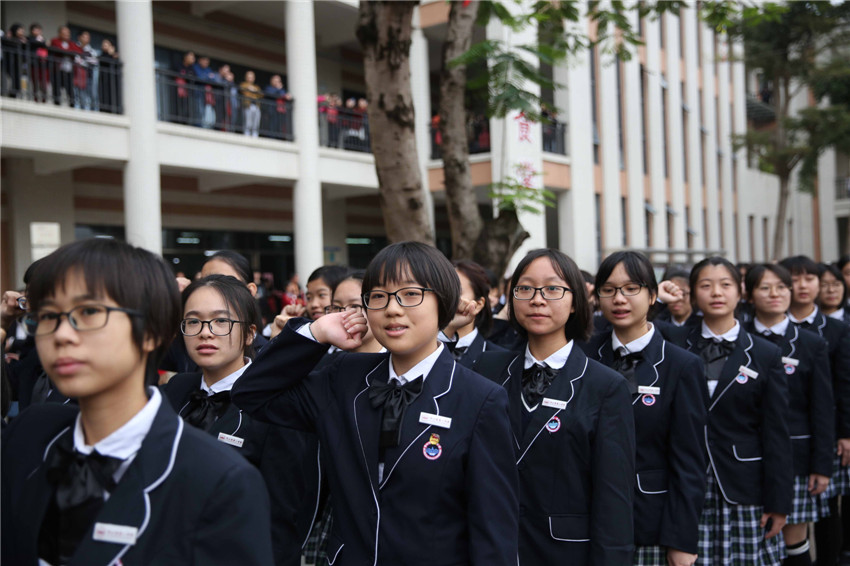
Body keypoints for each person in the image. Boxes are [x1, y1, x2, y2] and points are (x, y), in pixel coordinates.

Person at [232, 241, 518, 565]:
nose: (392, 309)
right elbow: (251, 393)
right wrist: (316, 332)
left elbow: (493, 531)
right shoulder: (344, 378)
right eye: (378, 296)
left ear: (443, 301)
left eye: (411, 294)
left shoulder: (480, 399)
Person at [1, 238, 273, 565]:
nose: (61, 334)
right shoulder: (30, 435)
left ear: (151, 332)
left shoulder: (220, 480)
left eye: (88, 312)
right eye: (47, 315)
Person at [475, 248, 637, 565]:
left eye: (552, 289)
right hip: (493, 547)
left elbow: (614, 498)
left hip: (565, 551)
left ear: (576, 300)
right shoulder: (486, 368)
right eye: (525, 288)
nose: (537, 299)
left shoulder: (605, 385)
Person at [162, 275, 319, 566]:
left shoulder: (277, 404)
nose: (205, 333)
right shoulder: (176, 390)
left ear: (249, 334)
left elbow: (284, 516)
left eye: (221, 322)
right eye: (193, 322)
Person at [582, 251, 707, 566]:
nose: (619, 299)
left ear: (653, 295)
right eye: (608, 290)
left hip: (649, 521)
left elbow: (689, 460)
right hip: (584, 518)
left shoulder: (682, 365)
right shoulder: (582, 355)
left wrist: (681, 539)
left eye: (631, 288)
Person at [680, 257, 791, 566]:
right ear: (692, 293)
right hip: (686, 481)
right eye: (705, 285)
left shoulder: (766, 353)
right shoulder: (674, 345)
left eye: (725, 284)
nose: (716, 292)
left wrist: (779, 502)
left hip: (744, 483)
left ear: (741, 291)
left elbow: (777, 432)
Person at [742, 263, 834, 566]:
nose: (775, 294)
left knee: (793, 539)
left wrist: (822, 464)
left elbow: (822, 407)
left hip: (796, 456)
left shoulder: (811, 344)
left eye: (781, 286)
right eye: (765, 287)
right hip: (745, 456)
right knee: (755, 538)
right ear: (750, 294)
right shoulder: (736, 338)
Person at [779, 255, 850, 566]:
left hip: (825, 429)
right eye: (795, 279)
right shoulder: (769, 327)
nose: (803, 286)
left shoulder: (835, 330)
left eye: (810, 279)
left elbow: (843, 386)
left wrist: (845, 433)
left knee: (824, 510)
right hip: (784, 432)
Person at [439, 260, 506, 369]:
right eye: (442, 291)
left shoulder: (499, 358)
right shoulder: (419, 350)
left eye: (456, 292)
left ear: (479, 304)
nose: (447, 298)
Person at [49, 26, 82, 106]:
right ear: (60, 34)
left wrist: (68, 53)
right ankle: (57, 103)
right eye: (64, 33)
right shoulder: (55, 40)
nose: (67, 35)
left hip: (69, 70)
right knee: (57, 87)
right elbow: (58, 48)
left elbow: (79, 51)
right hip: (58, 69)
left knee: (70, 89)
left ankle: (72, 105)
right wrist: (69, 53)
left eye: (68, 33)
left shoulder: (71, 43)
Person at [75, 31, 98, 111]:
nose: (86, 39)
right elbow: (76, 60)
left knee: (91, 94)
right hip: (77, 75)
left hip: (88, 75)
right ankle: (81, 110)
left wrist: (83, 61)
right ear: (79, 37)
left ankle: (92, 110)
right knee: (79, 94)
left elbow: (94, 62)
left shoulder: (91, 50)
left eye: (88, 37)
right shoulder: (75, 47)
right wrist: (86, 61)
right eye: (84, 37)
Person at [97, 39, 120, 113]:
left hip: (113, 82)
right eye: (103, 45)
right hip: (105, 80)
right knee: (105, 96)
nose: (104, 46)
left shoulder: (116, 57)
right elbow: (103, 61)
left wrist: (113, 56)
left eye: (106, 44)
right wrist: (110, 55)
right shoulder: (102, 55)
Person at [240, 70, 263, 137]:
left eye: (252, 77)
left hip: (256, 106)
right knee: (248, 121)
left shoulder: (256, 87)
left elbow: (261, 94)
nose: (250, 78)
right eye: (249, 77)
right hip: (248, 105)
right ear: (246, 78)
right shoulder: (244, 84)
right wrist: (248, 88)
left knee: (256, 122)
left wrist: (254, 90)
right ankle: (247, 134)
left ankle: (255, 135)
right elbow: (242, 90)